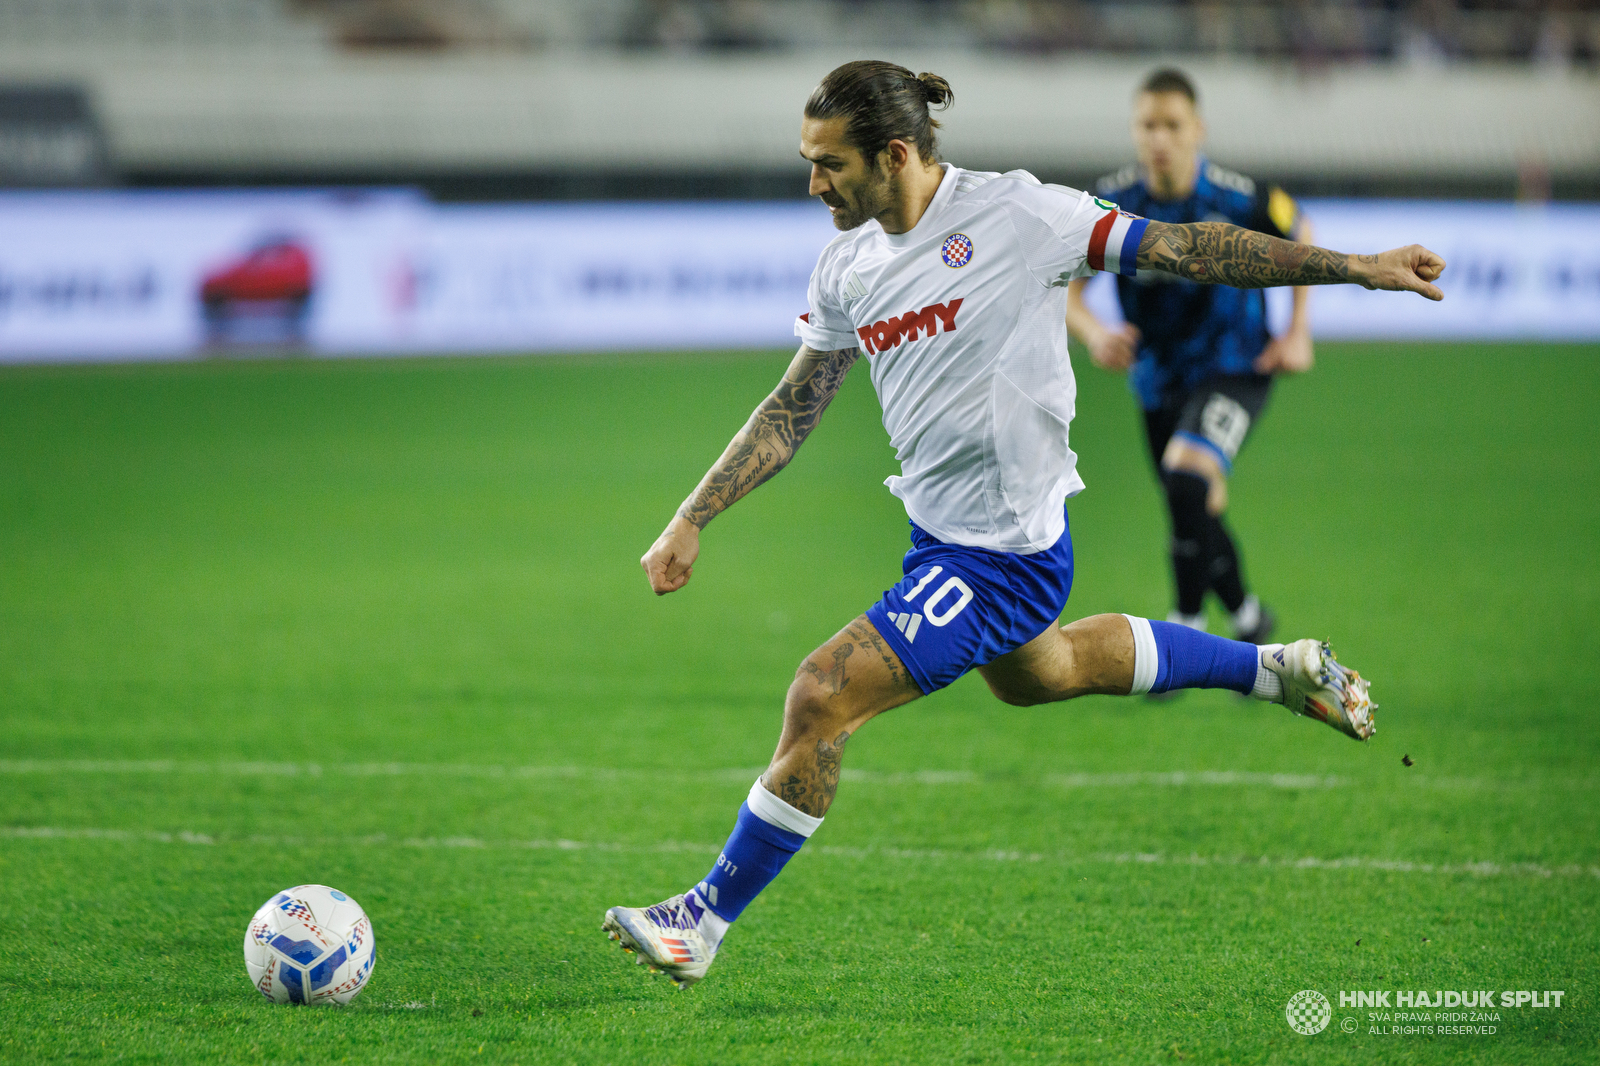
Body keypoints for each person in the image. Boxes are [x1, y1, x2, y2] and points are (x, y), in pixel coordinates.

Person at [604, 60, 1444, 989]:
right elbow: (794, 404)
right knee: (1044, 675)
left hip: (1003, 553)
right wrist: (693, 516)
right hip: (939, 537)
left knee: (820, 694)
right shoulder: (846, 263)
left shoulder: (1022, 215)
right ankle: (1274, 670)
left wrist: (1355, 270)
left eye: (828, 163)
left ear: (894, 154)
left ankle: (703, 920)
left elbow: (1187, 248)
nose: (814, 183)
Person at [1066, 68, 1312, 646]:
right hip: (1157, 378)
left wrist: (1298, 330)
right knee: (1194, 502)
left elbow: (1302, 235)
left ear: (1197, 129)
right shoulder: (1114, 202)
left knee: (1186, 477)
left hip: (1236, 365)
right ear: (1134, 130)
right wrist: (1095, 334)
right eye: (1148, 125)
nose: (1160, 138)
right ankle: (1249, 616)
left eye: (1172, 125)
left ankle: (1183, 629)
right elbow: (1070, 289)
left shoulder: (1237, 196)